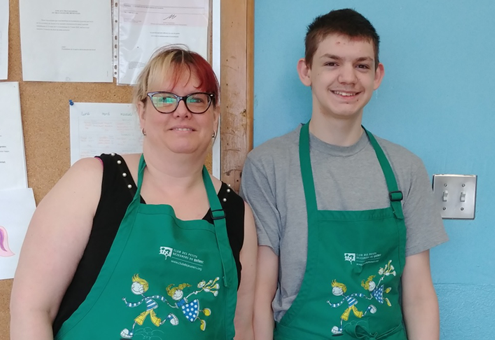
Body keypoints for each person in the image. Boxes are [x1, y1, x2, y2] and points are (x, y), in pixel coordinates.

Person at [10, 46, 257, 340]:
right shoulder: (94, 181)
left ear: (215, 116)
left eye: (197, 99)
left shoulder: (236, 214)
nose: (182, 110)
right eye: (165, 99)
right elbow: (32, 309)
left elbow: (241, 328)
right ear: (142, 112)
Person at [240, 8, 448, 340]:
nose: (348, 77)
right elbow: (259, 297)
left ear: (377, 75)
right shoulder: (269, 165)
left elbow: (420, 296)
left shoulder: (405, 168)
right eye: (332, 63)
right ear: (306, 71)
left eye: (361, 65)